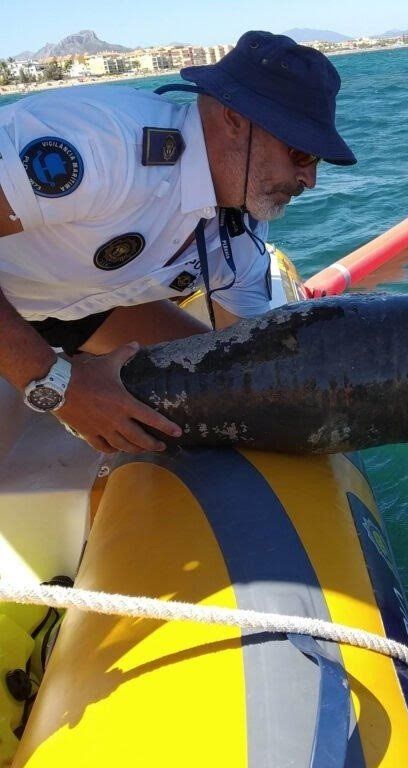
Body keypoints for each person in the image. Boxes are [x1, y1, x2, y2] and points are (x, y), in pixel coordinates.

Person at [0, 31, 355, 455]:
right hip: (21, 292)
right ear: (234, 119)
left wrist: (399, 406)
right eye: (301, 153)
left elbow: (260, 366)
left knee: (222, 378)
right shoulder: (105, 147)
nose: (309, 179)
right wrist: (56, 383)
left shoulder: (238, 236)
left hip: (71, 301)